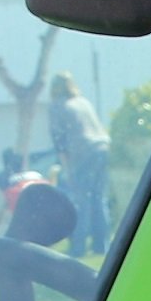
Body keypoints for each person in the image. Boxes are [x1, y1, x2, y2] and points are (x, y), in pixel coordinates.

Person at [51, 70, 115, 256]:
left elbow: (60, 140)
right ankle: (101, 245)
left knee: (82, 200)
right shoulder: (83, 103)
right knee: (98, 198)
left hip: (83, 153)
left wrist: (67, 168)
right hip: (102, 148)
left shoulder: (58, 106)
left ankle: (78, 247)